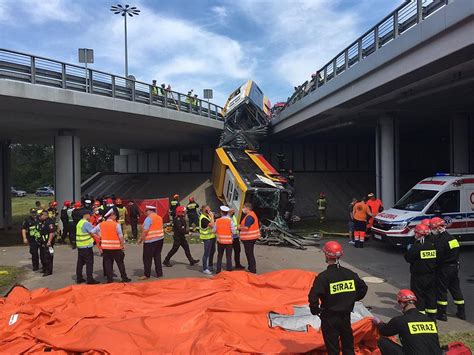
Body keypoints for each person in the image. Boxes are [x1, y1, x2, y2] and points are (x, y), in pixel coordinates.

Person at [308, 241, 368, 355]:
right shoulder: (350, 274)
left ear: (326, 255)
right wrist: (351, 299)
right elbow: (363, 288)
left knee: (333, 348)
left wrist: (315, 310)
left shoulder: (323, 277)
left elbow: (313, 296)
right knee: (348, 345)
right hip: (346, 316)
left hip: (329, 316)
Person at [374, 289, 442, 355]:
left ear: (402, 304)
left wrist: (379, 323)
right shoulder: (429, 320)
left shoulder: (401, 320)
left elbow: (384, 331)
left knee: (381, 340)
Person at [430, 217, 465, 321]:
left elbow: (438, 257)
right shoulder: (453, 239)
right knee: (455, 289)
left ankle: (442, 314)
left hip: (444, 269)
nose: (432, 230)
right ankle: (461, 311)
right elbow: (456, 253)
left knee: (442, 291)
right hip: (454, 268)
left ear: (439, 228)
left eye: (433, 228)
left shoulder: (440, 242)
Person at [404, 224, 437, 319]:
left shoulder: (417, 247)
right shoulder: (433, 245)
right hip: (431, 275)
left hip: (418, 276)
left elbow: (408, 258)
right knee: (431, 295)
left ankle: (420, 316)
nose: (415, 234)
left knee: (419, 296)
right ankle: (432, 317)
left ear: (419, 234)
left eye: (416, 233)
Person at [91, 208, 131, 283]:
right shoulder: (116, 224)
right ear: (111, 215)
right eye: (115, 215)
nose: (115, 216)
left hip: (106, 248)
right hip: (116, 248)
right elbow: (120, 236)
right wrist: (122, 246)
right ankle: (124, 278)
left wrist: (99, 237)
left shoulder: (101, 224)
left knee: (108, 264)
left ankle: (110, 279)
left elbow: (92, 232)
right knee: (120, 263)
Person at [138, 206, 165, 279]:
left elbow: (145, 231)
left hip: (150, 241)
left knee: (147, 258)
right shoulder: (159, 217)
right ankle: (159, 273)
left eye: (146, 211)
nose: (145, 213)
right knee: (157, 256)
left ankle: (147, 274)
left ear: (149, 211)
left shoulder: (148, 219)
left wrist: (141, 239)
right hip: (160, 239)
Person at [75, 209, 100, 284]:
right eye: (90, 215)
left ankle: (79, 278)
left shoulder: (79, 222)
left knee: (80, 263)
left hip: (80, 246)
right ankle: (90, 279)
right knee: (89, 263)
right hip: (86, 246)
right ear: (86, 215)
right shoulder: (86, 223)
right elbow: (93, 231)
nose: (91, 216)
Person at [238, 203, 260, 273]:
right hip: (251, 238)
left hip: (249, 238)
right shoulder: (252, 215)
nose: (243, 209)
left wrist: (239, 227)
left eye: (244, 207)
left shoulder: (249, 217)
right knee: (250, 253)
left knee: (249, 254)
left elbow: (246, 227)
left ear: (247, 208)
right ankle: (251, 267)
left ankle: (252, 269)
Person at [214, 206, 236, 273]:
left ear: (221, 213)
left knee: (219, 256)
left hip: (220, 241)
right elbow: (234, 231)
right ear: (227, 213)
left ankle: (218, 271)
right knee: (228, 257)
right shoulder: (230, 221)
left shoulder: (217, 221)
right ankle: (229, 270)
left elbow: (214, 230)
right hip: (228, 242)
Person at [37, 210, 55, 277]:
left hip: (48, 243)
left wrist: (49, 241)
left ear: (45, 215)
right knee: (42, 256)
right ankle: (44, 268)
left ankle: (48, 271)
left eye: (41, 215)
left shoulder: (49, 222)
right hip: (42, 242)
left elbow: (51, 232)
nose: (40, 216)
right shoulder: (42, 222)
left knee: (48, 257)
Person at [199, 205, 216, 275]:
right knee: (206, 253)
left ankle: (210, 265)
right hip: (207, 238)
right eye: (208, 209)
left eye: (209, 208)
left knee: (212, 251)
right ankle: (205, 268)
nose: (210, 210)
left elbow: (213, 224)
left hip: (212, 236)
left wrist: (212, 217)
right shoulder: (203, 218)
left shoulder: (207, 216)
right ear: (204, 210)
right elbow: (212, 225)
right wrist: (212, 216)